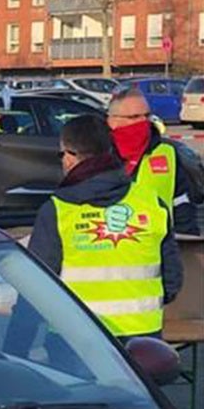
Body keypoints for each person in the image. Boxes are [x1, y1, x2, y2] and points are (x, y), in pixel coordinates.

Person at [28, 114, 182, 340]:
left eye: (62, 154)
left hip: (76, 341)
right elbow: (173, 279)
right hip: (143, 338)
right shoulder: (151, 203)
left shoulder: (58, 210)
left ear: (71, 157)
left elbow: (35, 289)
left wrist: (17, 346)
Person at [108, 87, 202, 234]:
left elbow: (182, 203)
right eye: (135, 117)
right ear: (112, 121)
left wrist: (186, 241)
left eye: (147, 116)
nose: (143, 122)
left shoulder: (167, 153)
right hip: (111, 247)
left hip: (160, 248)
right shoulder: (97, 154)